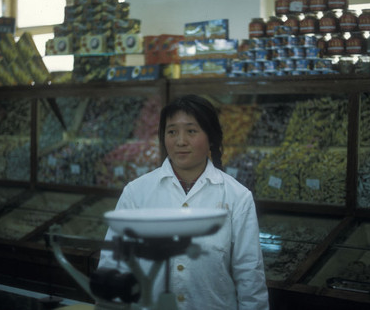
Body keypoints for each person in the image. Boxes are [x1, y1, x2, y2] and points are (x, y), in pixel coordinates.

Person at [98, 94, 269, 310]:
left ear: (212, 137)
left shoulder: (237, 196)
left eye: (191, 131)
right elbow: (114, 263)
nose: (180, 141)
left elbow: (249, 274)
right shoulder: (137, 192)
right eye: (172, 132)